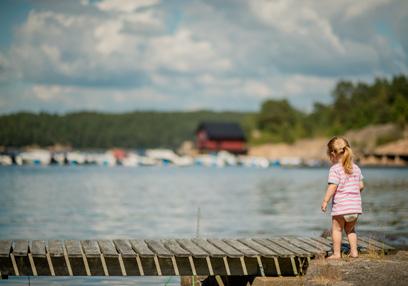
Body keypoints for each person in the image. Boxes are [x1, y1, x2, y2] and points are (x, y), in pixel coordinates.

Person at [321, 136, 364, 259]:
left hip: (341, 207)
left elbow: (332, 187)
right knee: (351, 230)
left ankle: (336, 254)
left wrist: (325, 201)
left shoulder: (335, 169)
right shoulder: (355, 168)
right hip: (355, 208)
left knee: (337, 230)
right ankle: (354, 252)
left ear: (332, 154)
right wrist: (352, 193)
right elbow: (361, 185)